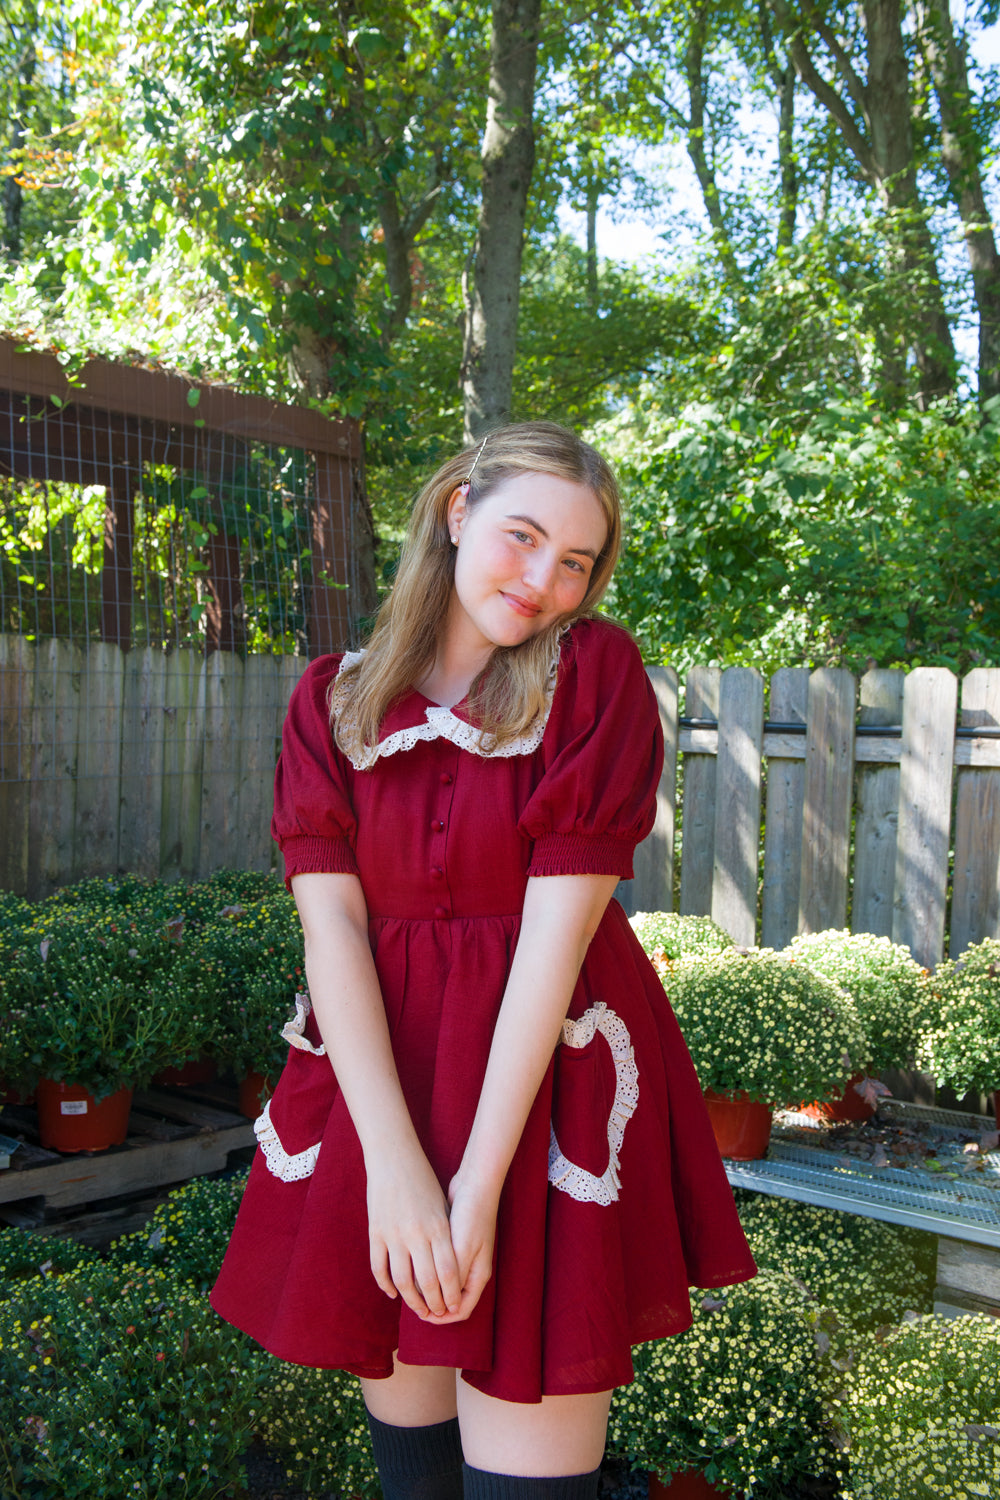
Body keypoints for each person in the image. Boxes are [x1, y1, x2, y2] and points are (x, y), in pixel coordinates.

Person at [210, 421, 755, 1499]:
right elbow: (335, 939)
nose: (545, 580)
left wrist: (470, 1195)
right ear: (457, 512)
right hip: (386, 1097)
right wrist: (400, 1176)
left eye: (576, 562)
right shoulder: (332, 700)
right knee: (414, 1478)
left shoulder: (590, 675)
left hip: (537, 1103)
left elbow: (553, 954)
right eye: (522, 536)